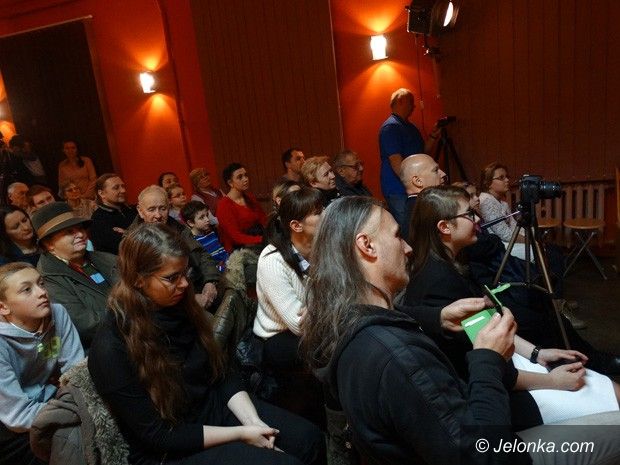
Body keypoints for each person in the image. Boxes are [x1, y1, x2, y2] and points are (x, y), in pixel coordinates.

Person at [300, 196, 620, 465]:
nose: (408, 248)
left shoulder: (351, 325)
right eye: (397, 236)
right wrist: (487, 359)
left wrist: (439, 317)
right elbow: (480, 455)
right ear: (367, 245)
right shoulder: (399, 356)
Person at [87, 223, 325, 465]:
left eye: (185, 274)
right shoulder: (110, 347)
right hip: (171, 448)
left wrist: (253, 423)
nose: (184, 284)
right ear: (138, 280)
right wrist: (242, 434)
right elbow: (159, 436)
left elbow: (220, 371)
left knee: (309, 439)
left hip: (213, 411)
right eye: (171, 278)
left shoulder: (179, 304)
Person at [403, 186, 620, 427]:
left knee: (607, 387)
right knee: (611, 398)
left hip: (507, 366)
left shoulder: (452, 264)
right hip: (495, 391)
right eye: (469, 214)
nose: (477, 219)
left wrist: (538, 353)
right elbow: (482, 368)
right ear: (445, 227)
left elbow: (488, 327)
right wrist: (553, 382)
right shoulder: (438, 281)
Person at [253, 188, 325, 425]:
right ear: (296, 226)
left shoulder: (321, 248)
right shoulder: (273, 260)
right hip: (278, 338)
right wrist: (323, 305)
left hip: (313, 327)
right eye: (318, 212)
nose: (326, 215)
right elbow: (298, 324)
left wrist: (315, 308)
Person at [0, 262, 84, 465]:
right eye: (26, 290)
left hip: (52, 399)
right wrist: (74, 410)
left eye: (41, 283)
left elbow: (77, 371)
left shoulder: (57, 313)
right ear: (3, 307)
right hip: (11, 421)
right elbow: (17, 416)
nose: (42, 293)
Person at [33, 202, 118, 349]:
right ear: (49, 244)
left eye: (80, 228)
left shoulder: (108, 259)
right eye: (69, 232)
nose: (80, 234)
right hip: (98, 348)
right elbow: (85, 324)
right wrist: (129, 314)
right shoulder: (47, 279)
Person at [134, 186, 221, 310]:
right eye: (151, 209)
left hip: (194, 285)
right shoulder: (133, 241)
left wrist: (210, 282)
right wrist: (189, 300)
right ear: (140, 211)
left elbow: (201, 254)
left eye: (163, 209)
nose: (158, 215)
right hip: (165, 303)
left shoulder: (179, 229)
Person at [378, 88, 439, 231]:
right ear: (400, 101)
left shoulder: (411, 127)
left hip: (415, 186)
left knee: (420, 226)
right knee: (410, 229)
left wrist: (434, 135)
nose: (414, 106)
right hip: (399, 189)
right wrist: (411, 184)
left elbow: (423, 153)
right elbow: (396, 161)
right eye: (411, 102)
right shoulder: (391, 127)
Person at [216, 163, 267, 253]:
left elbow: (263, 220)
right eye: (240, 177)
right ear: (230, 183)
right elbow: (236, 237)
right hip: (239, 249)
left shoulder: (250, 197)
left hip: (258, 240)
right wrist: (263, 239)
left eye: (246, 175)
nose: (246, 179)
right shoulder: (224, 205)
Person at [398, 153, 446, 240]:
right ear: (418, 181)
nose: (443, 174)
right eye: (435, 170)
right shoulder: (427, 209)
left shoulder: (414, 207)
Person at [89, 173, 137, 254]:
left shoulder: (131, 210)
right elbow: (124, 247)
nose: (123, 190)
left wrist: (127, 233)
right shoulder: (98, 219)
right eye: (116, 188)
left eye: (123, 186)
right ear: (102, 193)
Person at [181, 201, 229, 270]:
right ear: (191, 223)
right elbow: (207, 266)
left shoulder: (211, 232)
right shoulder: (194, 243)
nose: (207, 219)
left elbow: (222, 252)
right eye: (202, 217)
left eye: (207, 215)